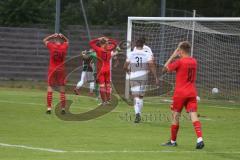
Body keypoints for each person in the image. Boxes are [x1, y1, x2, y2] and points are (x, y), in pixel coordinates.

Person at [161, 41, 204, 149]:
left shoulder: (180, 62)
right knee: (193, 115)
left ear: (180, 51)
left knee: (175, 117)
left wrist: (173, 56)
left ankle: (173, 141)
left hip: (180, 93)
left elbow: (164, 69)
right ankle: (200, 139)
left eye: (178, 50)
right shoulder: (194, 61)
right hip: (192, 93)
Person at [124, 39, 159, 123]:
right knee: (141, 96)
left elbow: (125, 66)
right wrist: (156, 77)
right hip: (143, 76)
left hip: (134, 76)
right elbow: (151, 65)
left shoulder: (130, 54)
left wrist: (128, 72)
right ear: (143, 46)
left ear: (135, 45)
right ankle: (139, 113)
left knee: (135, 96)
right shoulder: (147, 54)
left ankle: (137, 114)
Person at [43, 33, 69, 114]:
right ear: (61, 41)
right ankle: (63, 109)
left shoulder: (52, 46)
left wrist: (51, 36)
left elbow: (44, 40)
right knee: (62, 89)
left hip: (52, 70)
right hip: (61, 70)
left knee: (50, 87)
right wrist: (63, 36)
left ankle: (49, 108)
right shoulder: (64, 46)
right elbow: (67, 41)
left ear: (54, 40)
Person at [89, 37, 117, 105]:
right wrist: (108, 40)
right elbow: (115, 43)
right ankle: (108, 100)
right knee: (107, 85)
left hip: (101, 69)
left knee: (102, 86)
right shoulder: (109, 49)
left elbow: (91, 43)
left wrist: (98, 38)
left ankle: (104, 102)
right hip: (108, 69)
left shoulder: (98, 49)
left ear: (100, 43)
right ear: (106, 43)